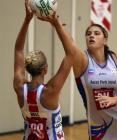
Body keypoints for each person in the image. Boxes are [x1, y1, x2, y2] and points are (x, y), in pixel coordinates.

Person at [43, 14, 117, 139]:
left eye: (96, 33)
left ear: (105, 40)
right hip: (101, 125)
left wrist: (114, 100)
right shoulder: (82, 60)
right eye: (88, 34)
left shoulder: (116, 59)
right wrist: (57, 24)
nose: (91, 36)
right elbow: (70, 46)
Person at [13, 0, 76, 139]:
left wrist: (27, 20)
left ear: (27, 68)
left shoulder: (19, 87)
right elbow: (72, 53)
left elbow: (18, 50)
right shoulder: (50, 91)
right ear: (45, 69)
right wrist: (56, 24)